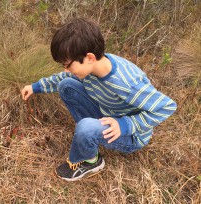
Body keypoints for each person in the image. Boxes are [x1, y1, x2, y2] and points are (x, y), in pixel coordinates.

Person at [21, 18, 177, 182]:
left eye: (67, 64)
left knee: (85, 128)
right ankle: (89, 135)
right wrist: (35, 87)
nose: (65, 69)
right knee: (66, 85)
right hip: (107, 113)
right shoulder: (95, 66)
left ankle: (91, 161)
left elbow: (166, 107)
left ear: (89, 57)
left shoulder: (126, 83)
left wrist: (125, 125)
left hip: (131, 136)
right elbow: (64, 77)